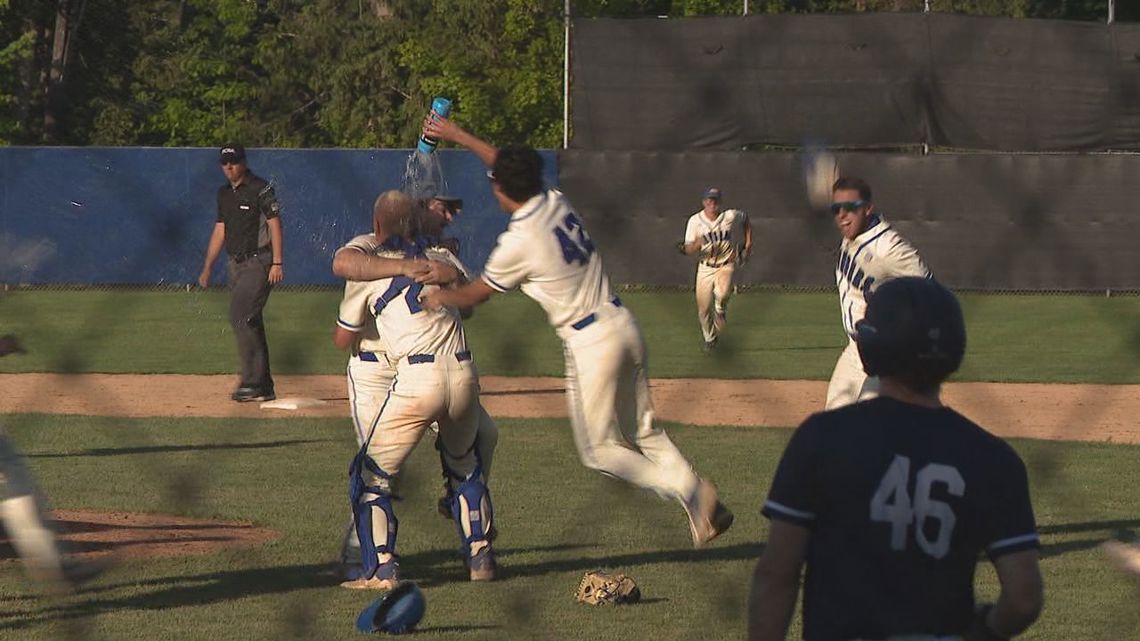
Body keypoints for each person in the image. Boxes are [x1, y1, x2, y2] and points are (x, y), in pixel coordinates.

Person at [418, 116, 733, 548]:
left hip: (591, 343)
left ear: (500, 188)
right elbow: (508, 166)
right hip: (624, 323)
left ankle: (692, 492)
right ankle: (701, 509)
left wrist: (439, 294)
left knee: (599, 450)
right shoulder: (554, 200)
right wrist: (457, 135)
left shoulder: (519, 240)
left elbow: (475, 294)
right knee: (645, 432)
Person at [747, 277, 1044, 641]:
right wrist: (984, 631)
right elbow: (1024, 598)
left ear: (871, 348)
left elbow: (778, 572)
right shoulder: (994, 459)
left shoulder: (822, 438)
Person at [330, 192, 499, 580]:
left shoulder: (393, 264)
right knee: (463, 463)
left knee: (374, 473)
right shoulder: (420, 257)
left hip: (413, 373)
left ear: (378, 225)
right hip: (437, 370)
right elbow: (343, 261)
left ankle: (379, 566)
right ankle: (479, 554)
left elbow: (342, 337)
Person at [825, 176, 930, 409]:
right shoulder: (851, 235)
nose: (842, 215)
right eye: (836, 208)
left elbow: (931, 292)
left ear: (868, 209)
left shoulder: (889, 248)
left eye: (850, 208)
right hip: (856, 350)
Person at [197, 144, 284, 403]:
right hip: (235, 263)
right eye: (225, 163)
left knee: (240, 315)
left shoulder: (260, 188)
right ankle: (264, 384)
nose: (229, 167)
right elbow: (220, 230)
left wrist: (277, 262)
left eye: (233, 162)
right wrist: (208, 266)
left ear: (244, 162)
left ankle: (252, 382)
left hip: (259, 260)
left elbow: (275, 224)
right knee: (250, 320)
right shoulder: (224, 194)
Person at [678, 187, 752, 352]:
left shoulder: (730, 216)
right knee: (703, 309)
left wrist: (748, 244)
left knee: (723, 292)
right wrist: (696, 244)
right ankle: (710, 338)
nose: (713, 203)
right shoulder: (695, 221)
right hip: (705, 267)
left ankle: (720, 310)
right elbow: (688, 249)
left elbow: (746, 220)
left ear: (720, 202)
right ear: (704, 202)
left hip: (726, 264)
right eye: (709, 200)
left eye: (715, 200)